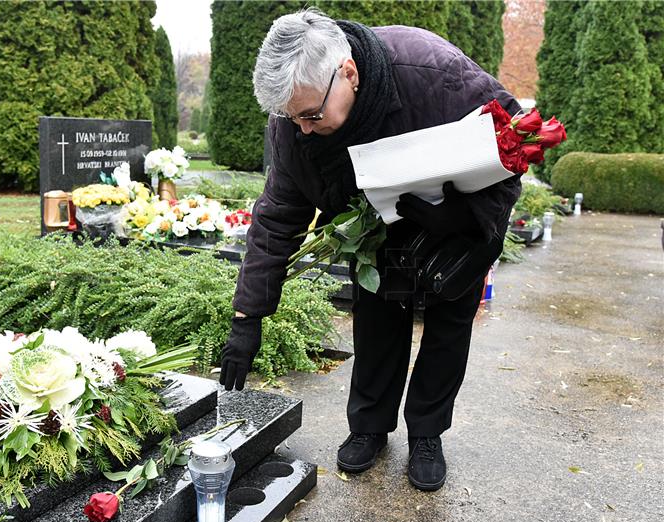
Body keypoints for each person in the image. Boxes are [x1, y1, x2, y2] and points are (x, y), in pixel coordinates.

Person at [219, 8, 522, 492]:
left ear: (349, 73)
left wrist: (461, 217)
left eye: (311, 115)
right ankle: (369, 426)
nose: (301, 129)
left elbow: (514, 144)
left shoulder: (433, 72)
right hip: (379, 226)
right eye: (289, 117)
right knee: (377, 317)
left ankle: (427, 432)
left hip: (460, 223)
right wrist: (248, 316)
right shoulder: (296, 121)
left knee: (447, 326)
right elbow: (278, 214)